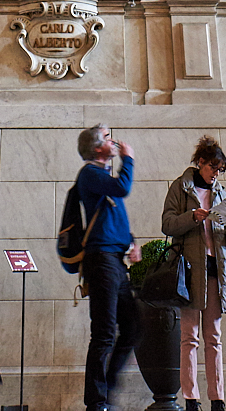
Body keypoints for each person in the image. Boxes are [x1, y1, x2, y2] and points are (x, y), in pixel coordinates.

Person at [161, 136, 226, 411]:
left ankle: (218, 399)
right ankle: (190, 399)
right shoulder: (181, 187)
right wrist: (193, 217)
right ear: (200, 163)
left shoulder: (221, 194)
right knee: (190, 337)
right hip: (189, 274)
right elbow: (167, 224)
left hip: (215, 273)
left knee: (214, 337)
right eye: (213, 167)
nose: (216, 174)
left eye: (220, 169)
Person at [77, 122, 140, 411]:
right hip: (100, 262)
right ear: (96, 148)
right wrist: (128, 159)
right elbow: (123, 187)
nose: (113, 141)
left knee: (133, 326)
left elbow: (115, 220)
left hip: (115, 261)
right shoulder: (90, 174)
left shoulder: (103, 178)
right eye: (107, 137)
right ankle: (97, 402)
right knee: (103, 333)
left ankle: (107, 386)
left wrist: (132, 242)